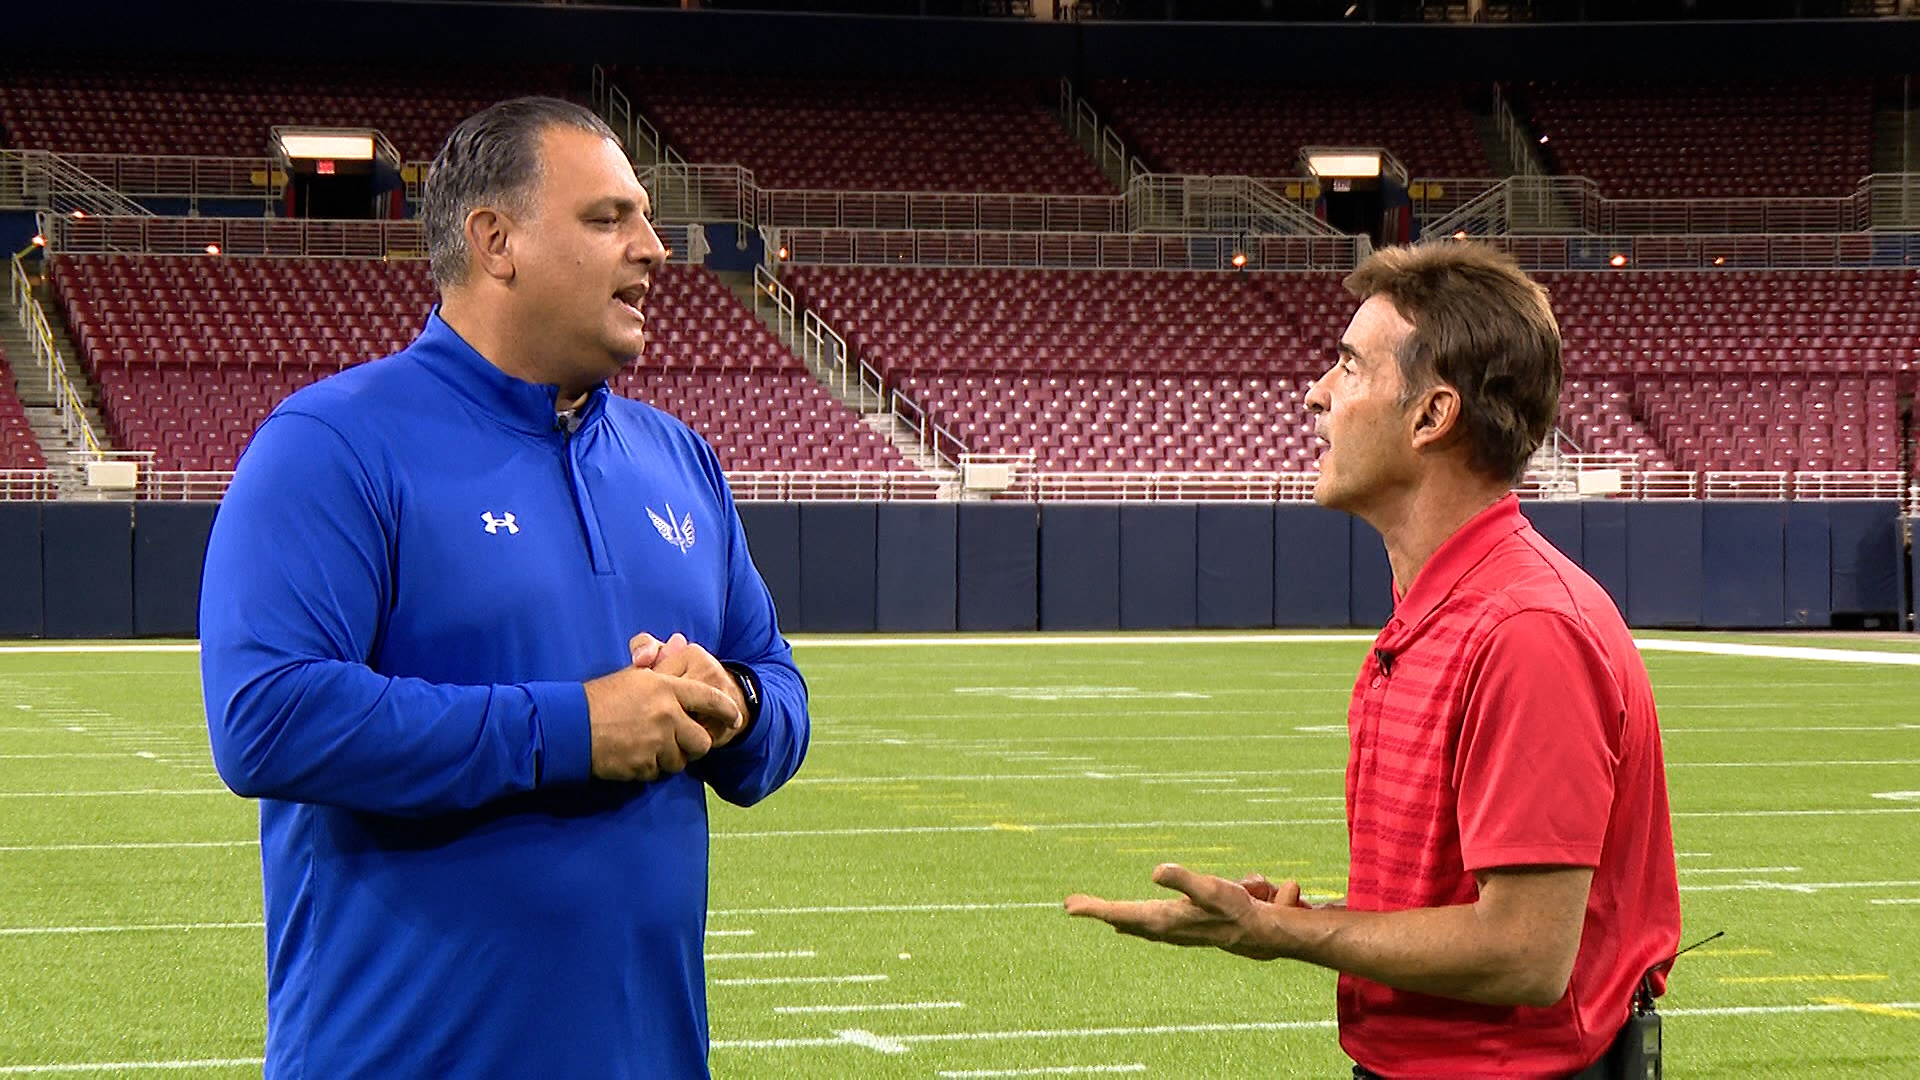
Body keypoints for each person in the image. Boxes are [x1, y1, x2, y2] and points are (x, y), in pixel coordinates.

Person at [200, 97, 809, 1079]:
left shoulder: (679, 460)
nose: (655, 248)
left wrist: (731, 707)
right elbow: (266, 718)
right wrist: (575, 729)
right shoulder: (333, 444)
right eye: (609, 218)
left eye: (646, 217)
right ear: (495, 240)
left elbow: (780, 689)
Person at [1065, 241, 1680, 1078]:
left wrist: (1285, 932)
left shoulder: (1526, 629)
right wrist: (1312, 918)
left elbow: (1525, 953)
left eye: (1350, 367)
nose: (1316, 393)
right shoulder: (1445, 607)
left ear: (1431, 416)